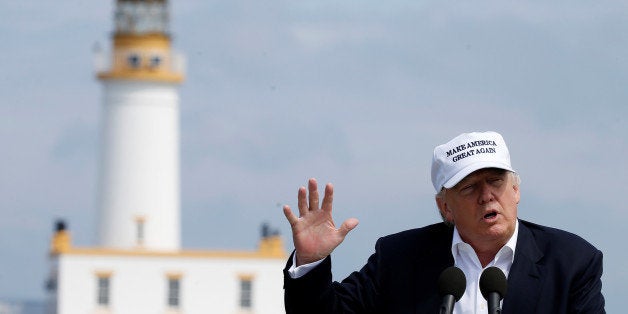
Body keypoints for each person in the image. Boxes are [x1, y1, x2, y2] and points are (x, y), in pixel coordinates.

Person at [281, 131, 605, 314]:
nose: (487, 196)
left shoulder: (572, 262)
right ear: (444, 207)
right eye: (470, 188)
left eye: (496, 181)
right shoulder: (399, 258)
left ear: (516, 189)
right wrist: (311, 262)